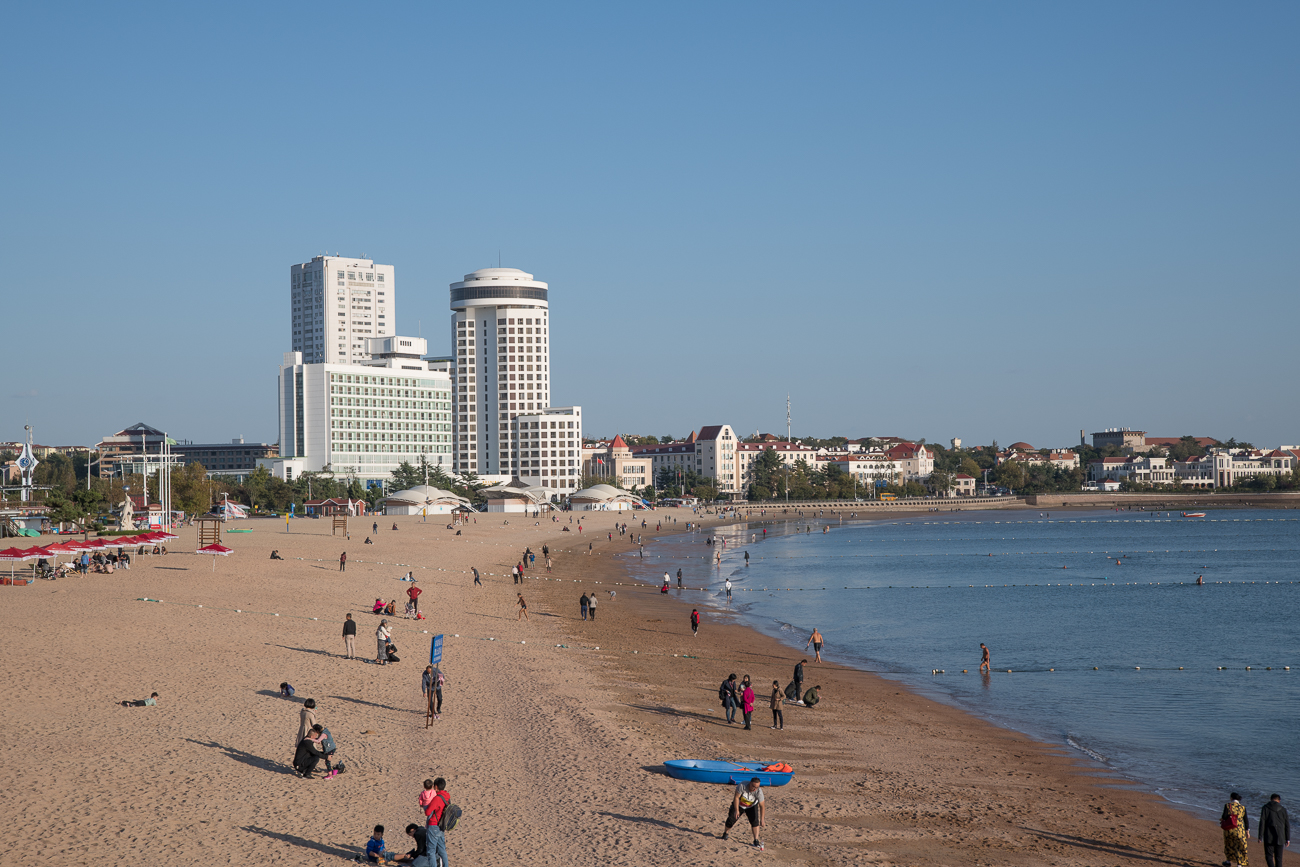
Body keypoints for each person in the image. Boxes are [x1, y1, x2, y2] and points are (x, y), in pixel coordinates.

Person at [722, 777, 766, 850]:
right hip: (739, 804)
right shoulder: (742, 785)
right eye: (753, 786)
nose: (755, 789)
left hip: (751, 805)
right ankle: (725, 833)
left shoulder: (759, 791)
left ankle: (756, 840)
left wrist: (762, 819)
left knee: (755, 822)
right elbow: (736, 797)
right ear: (750, 783)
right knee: (731, 820)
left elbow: (762, 806)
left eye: (757, 787)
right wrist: (736, 810)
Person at [423, 777, 451, 867]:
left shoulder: (437, 798)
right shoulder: (447, 797)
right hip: (441, 826)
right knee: (442, 850)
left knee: (431, 851)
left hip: (434, 825)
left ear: (435, 787)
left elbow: (427, 813)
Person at [1259, 793, 1290, 867]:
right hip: (1280, 836)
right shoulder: (1283, 809)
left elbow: (1262, 822)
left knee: (1269, 856)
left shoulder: (1265, 808)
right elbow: (1287, 825)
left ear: (1271, 799)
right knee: (1278, 858)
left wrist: (1260, 836)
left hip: (1268, 836)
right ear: (1279, 801)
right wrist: (1287, 839)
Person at [1222, 792, 1250, 867]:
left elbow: (1224, 817)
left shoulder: (1228, 805)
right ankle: (1239, 864)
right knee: (1239, 846)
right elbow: (1246, 821)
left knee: (1229, 844)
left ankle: (1228, 861)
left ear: (1231, 798)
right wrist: (1247, 831)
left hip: (1229, 829)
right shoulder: (1243, 807)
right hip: (1239, 830)